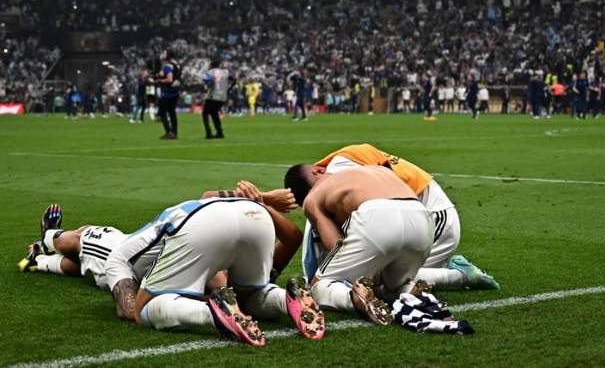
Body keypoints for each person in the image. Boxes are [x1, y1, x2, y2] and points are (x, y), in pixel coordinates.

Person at [104, 195, 325, 344]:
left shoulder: (117, 258)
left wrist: (206, 302)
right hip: (254, 215)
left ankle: (214, 314)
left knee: (143, 310)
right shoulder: (153, 235)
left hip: (203, 224)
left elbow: (128, 310)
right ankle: (286, 300)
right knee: (249, 297)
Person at [293, 143, 498, 292]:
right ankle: (459, 275)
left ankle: (455, 273)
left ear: (318, 170)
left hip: (434, 217)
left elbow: (324, 230)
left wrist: (316, 274)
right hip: (415, 216)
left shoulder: (338, 168)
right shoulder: (350, 156)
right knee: (385, 281)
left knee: (374, 282)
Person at [284, 164, 434, 325]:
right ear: (318, 170)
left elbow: (336, 246)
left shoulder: (311, 199)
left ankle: (354, 298)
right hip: (422, 218)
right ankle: (410, 292)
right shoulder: (367, 170)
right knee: (391, 285)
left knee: (319, 286)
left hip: (377, 214)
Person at [19, 204, 127, 291]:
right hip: (130, 275)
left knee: (86, 234)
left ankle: (49, 235)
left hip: (124, 264)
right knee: (89, 261)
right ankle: (39, 261)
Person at [151, 50, 181, 139]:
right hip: (175, 90)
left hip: (168, 91)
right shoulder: (177, 64)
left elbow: (169, 79)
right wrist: (159, 74)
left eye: (164, 53)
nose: (163, 55)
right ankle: (174, 132)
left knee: (162, 112)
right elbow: (167, 74)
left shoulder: (168, 66)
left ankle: (169, 132)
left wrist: (158, 81)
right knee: (172, 112)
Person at [202, 60, 231, 139]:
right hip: (222, 96)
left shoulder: (209, 72)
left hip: (212, 96)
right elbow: (234, 79)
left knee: (205, 113)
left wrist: (209, 85)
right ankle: (220, 132)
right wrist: (228, 89)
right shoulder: (225, 72)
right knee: (214, 113)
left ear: (211, 65)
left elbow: (206, 80)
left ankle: (208, 133)